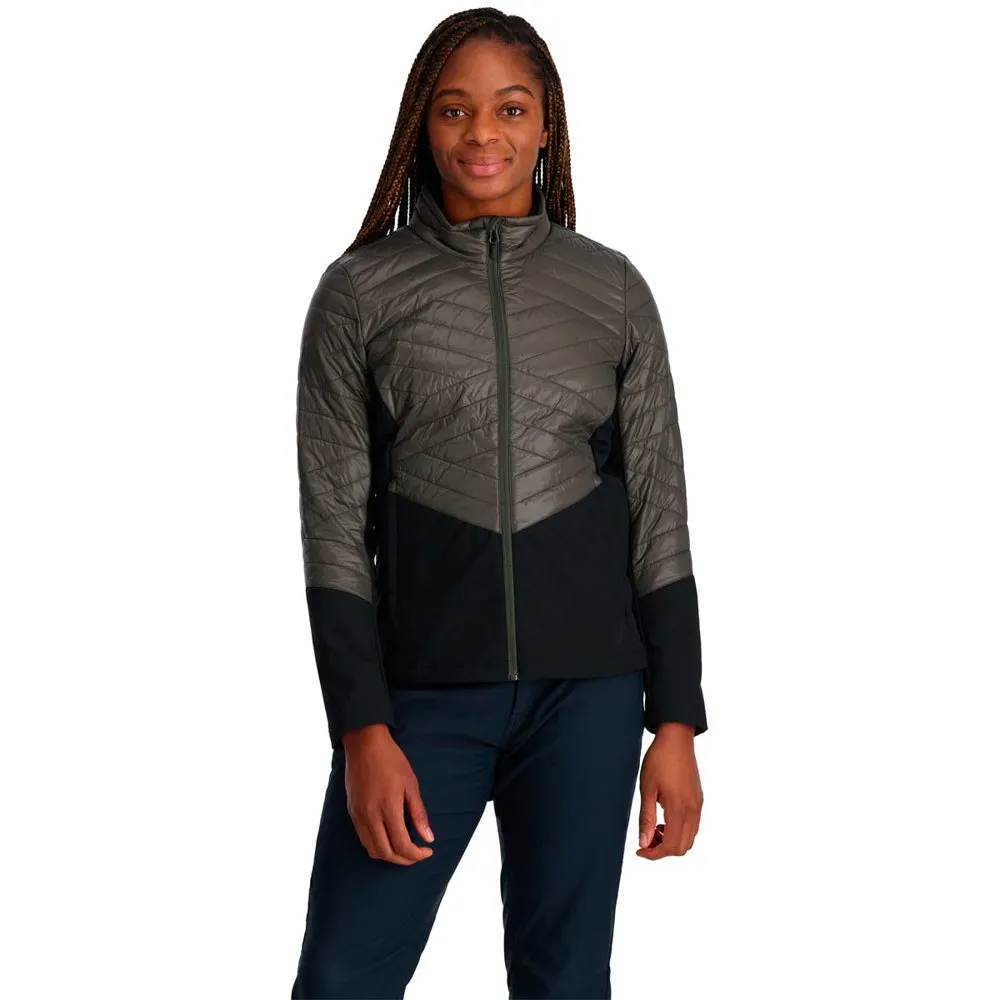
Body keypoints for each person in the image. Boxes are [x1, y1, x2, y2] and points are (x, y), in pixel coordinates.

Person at [290, 8, 708, 999]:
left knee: (566, 982)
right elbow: (333, 527)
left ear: (546, 124)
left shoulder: (611, 290)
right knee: (345, 977)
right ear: (421, 125)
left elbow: (659, 509)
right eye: (454, 109)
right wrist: (361, 727)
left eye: (510, 108)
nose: (482, 132)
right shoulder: (360, 295)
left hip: (589, 696)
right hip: (421, 700)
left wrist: (676, 720)